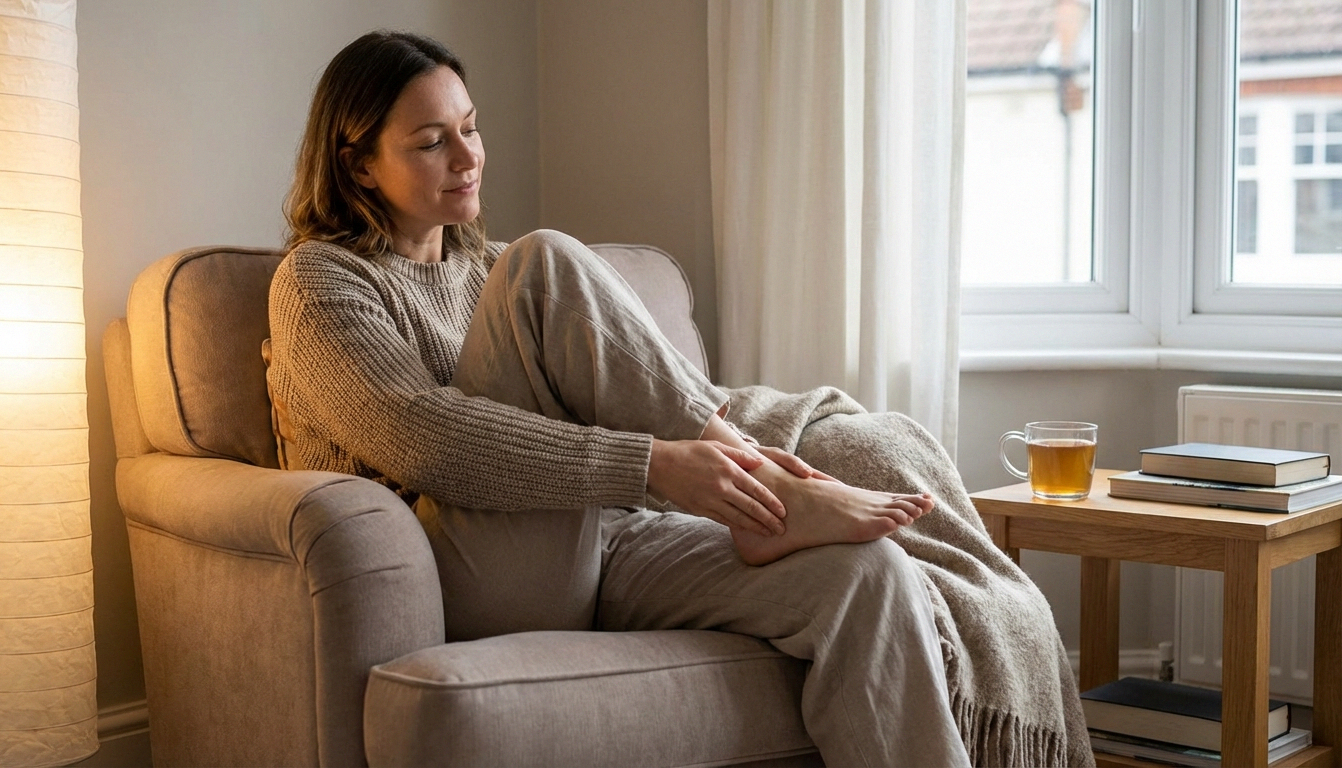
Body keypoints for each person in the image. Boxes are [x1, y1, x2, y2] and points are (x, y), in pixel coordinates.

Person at [269, 30, 1091, 767]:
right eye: (430, 142)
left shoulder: (485, 267)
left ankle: (762, 489)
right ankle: (766, 480)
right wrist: (657, 464)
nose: (469, 156)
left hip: (605, 541)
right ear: (357, 162)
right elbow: (428, 440)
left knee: (864, 575)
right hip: (472, 571)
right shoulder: (320, 282)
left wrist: (668, 478)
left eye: (472, 126)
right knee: (544, 259)